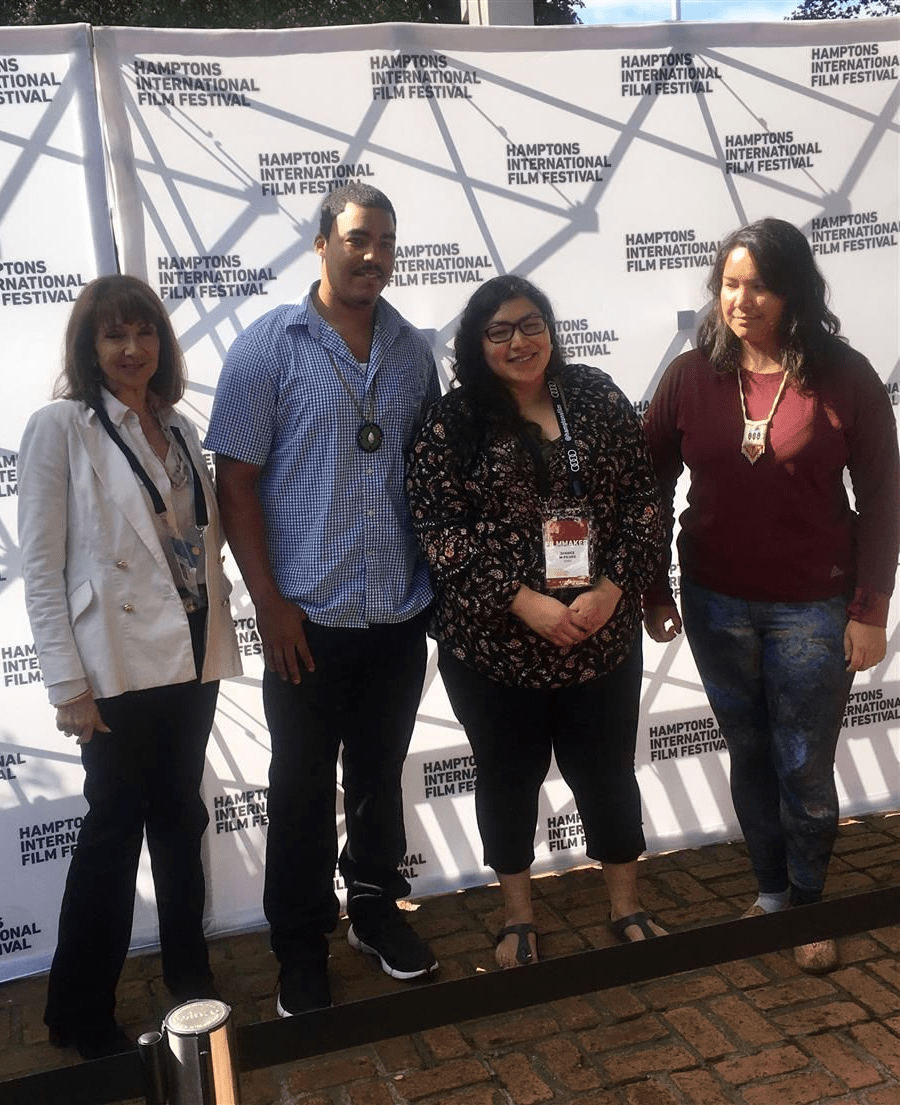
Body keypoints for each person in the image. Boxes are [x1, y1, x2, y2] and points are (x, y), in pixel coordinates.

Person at [205, 183, 440, 1016]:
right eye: (357, 239)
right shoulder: (266, 348)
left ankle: (374, 913)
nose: (372, 255)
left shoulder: (412, 352)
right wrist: (268, 602)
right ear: (321, 244)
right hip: (304, 618)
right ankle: (300, 948)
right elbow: (234, 482)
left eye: (385, 241)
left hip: (395, 613)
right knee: (301, 788)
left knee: (377, 778)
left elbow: (427, 476)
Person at [643, 217, 899, 975]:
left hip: (814, 610)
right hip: (715, 603)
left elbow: (882, 499)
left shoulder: (844, 376)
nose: (740, 300)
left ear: (794, 291)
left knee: (803, 765)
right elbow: (645, 488)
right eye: (729, 284)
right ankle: (770, 896)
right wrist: (653, 587)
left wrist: (870, 611)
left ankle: (809, 907)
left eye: (758, 285)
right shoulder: (690, 376)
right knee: (750, 752)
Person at [406, 274, 666, 969]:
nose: (519, 342)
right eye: (499, 331)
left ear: (550, 329)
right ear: (476, 343)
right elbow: (439, 531)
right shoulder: (453, 422)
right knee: (507, 778)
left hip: (599, 637)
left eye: (531, 325)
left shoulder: (594, 395)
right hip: (494, 648)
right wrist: (524, 602)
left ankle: (625, 903)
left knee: (607, 773)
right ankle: (517, 914)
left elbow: (643, 500)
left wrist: (612, 590)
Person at [18, 275, 241, 1059]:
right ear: (89, 347)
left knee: (181, 818)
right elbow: (40, 568)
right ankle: (79, 1013)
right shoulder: (61, 427)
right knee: (113, 831)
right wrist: (67, 685)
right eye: (113, 335)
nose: (131, 348)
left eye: (143, 332)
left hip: (191, 650)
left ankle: (190, 975)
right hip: (112, 665)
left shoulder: (177, 425)